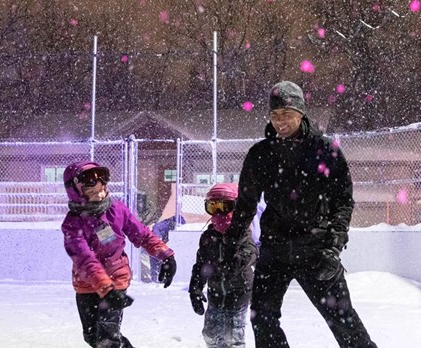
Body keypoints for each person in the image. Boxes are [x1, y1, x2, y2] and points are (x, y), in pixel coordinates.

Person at [223, 81, 378, 348]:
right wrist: (231, 242)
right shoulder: (260, 155)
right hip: (274, 250)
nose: (280, 122)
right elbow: (246, 204)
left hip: (315, 249)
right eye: (274, 116)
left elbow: (343, 202)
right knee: (262, 318)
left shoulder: (325, 151)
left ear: (301, 113)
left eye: (286, 115)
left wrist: (334, 247)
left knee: (343, 319)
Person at [61, 160, 177, 348]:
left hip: (116, 279)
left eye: (101, 189)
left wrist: (166, 255)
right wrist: (104, 287)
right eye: (91, 192)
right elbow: (84, 259)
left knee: (107, 338)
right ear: (76, 192)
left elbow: (143, 234)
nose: (99, 195)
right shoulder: (72, 224)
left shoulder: (117, 210)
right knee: (92, 336)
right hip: (87, 285)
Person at [189, 183, 257, 348]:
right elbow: (200, 265)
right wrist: (195, 288)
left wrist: (235, 263)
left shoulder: (241, 233)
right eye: (213, 207)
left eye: (224, 206)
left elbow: (251, 251)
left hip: (239, 292)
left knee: (232, 336)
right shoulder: (208, 237)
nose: (219, 213)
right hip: (216, 293)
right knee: (211, 334)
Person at [150, 215, 186, 281]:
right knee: (155, 261)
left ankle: (160, 278)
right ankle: (154, 280)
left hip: (159, 246)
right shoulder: (165, 224)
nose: (176, 227)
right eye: (177, 225)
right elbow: (155, 227)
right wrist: (159, 238)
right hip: (154, 244)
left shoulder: (171, 227)